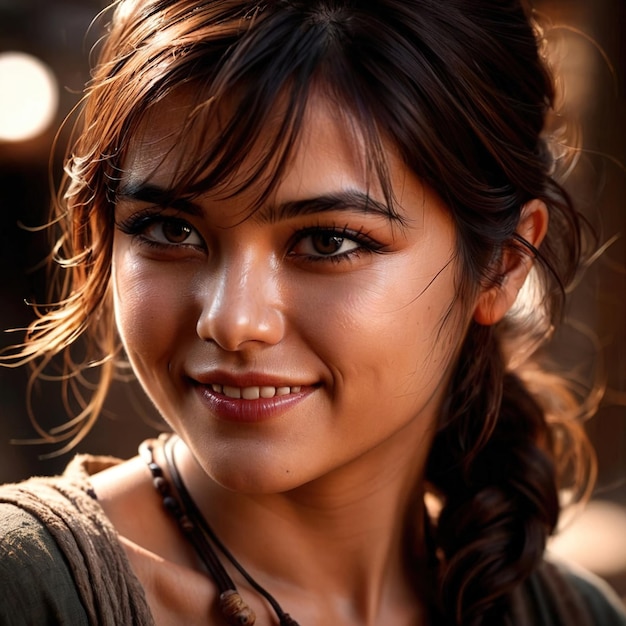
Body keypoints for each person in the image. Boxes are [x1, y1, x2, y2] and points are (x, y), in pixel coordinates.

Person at [1, 0, 625, 624]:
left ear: (502, 265)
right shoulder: (29, 590)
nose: (231, 320)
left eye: (328, 241)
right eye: (169, 229)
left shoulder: (576, 614)